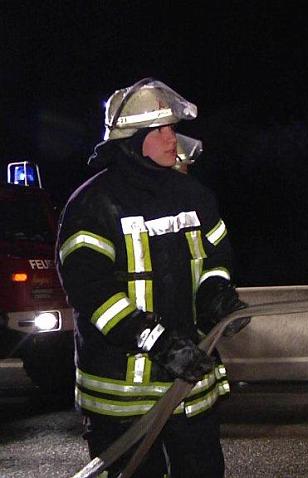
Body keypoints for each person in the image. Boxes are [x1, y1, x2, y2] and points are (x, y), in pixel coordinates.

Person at [56, 78, 250, 477]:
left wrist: (215, 293)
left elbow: (216, 256)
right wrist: (153, 339)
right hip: (122, 396)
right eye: (159, 130)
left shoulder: (192, 195)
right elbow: (90, 291)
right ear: (131, 139)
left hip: (189, 387)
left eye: (172, 128)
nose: (171, 139)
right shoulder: (92, 204)